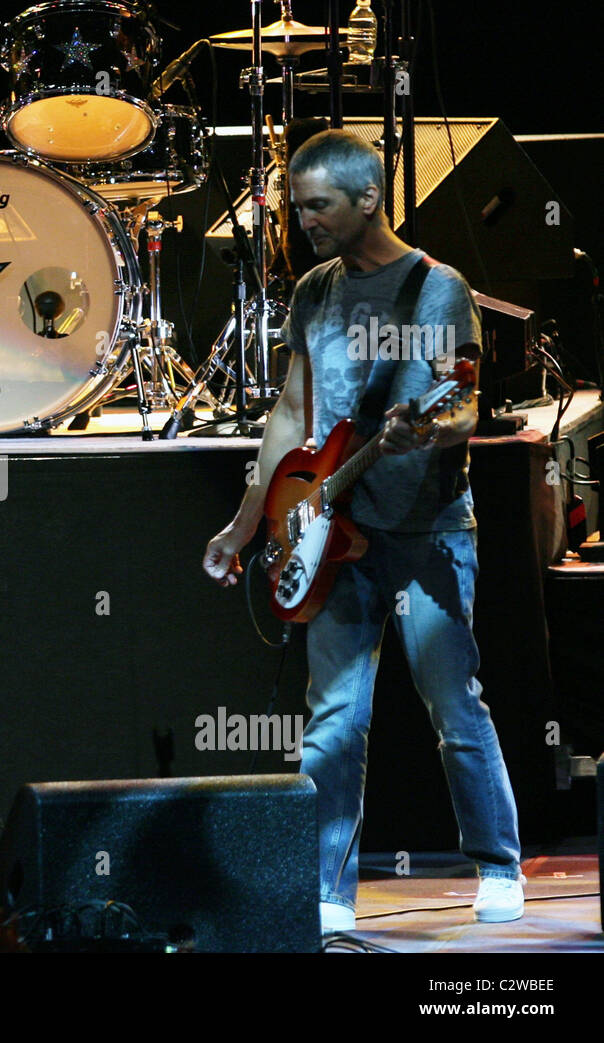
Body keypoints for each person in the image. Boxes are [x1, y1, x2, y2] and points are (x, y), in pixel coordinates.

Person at [203, 130, 523, 932]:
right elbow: (289, 411)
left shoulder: (437, 286)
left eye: (318, 205)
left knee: (453, 703)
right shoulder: (313, 290)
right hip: (328, 532)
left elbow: (465, 405)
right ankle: (327, 892)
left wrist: (437, 431)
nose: (302, 219)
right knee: (334, 718)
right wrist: (247, 525)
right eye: (298, 205)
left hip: (427, 531)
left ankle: (497, 863)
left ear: (367, 200)